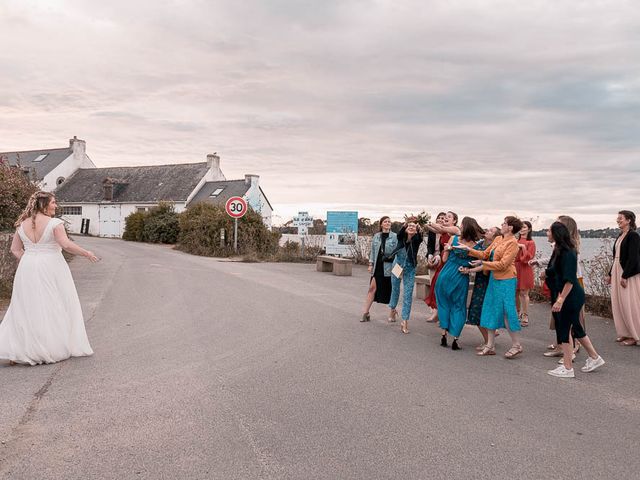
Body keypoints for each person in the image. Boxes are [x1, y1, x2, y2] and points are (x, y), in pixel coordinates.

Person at [0, 191, 98, 366]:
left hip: (27, 267)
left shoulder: (22, 224)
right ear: (44, 205)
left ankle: (19, 348)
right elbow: (66, 244)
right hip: (51, 266)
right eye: (53, 202)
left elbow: (15, 250)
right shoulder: (55, 223)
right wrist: (86, 253)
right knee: (54, 303)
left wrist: (31, 260)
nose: (56, 205)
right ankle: (49, 347)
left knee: (26, 305)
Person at [545, 222, 605, 378]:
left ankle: (568, 367)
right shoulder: (558, 250)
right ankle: (594, 357)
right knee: (576, 328)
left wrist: (560, 299)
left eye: (548, 230)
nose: (546, 233)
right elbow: (554, 270)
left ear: (556, 233)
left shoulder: (568, 252)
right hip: (566, 294)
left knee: (564, 330)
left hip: (570, 296)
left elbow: (570, 279)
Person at [460, 216, 524, 358]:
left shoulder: (513, 243)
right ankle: (490, 345)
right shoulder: (498, 239)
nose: (502, 224)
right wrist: (467, 249)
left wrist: (483, 265)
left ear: (510, 228)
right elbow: (485, 254)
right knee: (489, 308)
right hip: (495, 278)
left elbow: (503, 264)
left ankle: (516, 345)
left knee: (508, 312)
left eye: (504, 223)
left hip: (507, 280)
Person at [436, 217, 484, 350]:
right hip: (461, 276)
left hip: (446, 274)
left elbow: (444, 259)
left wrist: (447, 249)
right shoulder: (477, 246)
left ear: (464, 227)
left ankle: (443, 334)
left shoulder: (453, 239)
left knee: (444, 304)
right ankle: (455, 339)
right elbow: (476, 262)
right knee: (459, 306)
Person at [463, 226, 502, 350]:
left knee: (480, 310)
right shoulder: (480, 244)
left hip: (489, 280)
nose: (487, 231)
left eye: (491, 231)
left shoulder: (496, 249)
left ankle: (489, 342)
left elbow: (489, 264)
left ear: (495, 237)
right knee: (476, 310)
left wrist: (471, 269)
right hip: (480, 280)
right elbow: (470, 255)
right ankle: (488, 340)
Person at [607, 210, 640, 346]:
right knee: (619, 303)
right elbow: (616, 257)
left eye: (620, 218)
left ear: (629, 220)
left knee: (629, 303)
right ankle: (625, 332)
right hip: (617, 269)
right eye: (618, 218)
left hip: (628, 272)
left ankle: (635, 334)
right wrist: (610, 274)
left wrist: (625, 275)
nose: (618, 220)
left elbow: (634, 258)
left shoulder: (633, 236)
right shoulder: (621, 235)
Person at [424, 211, 460, 322]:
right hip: (443, 262)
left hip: (451, 263)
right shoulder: (443, 230)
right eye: (445, 217)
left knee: (445, 288)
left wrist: (434, 223)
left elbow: (440, 228)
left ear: (454, 221)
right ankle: (438, 312)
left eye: (449, 217)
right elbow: (433, 229)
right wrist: (422, 222)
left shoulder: (454, 229)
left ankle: (445, 315)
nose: (445, 218)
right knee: (436, 285)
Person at [388, 218, 423, 334]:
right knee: (395, 288)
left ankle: (405, 320)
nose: (411, 227)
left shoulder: (417, 240)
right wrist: (405, 225)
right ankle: (392, 309)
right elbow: (400, 232)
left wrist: (419, 230)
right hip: (398, 265)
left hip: (410, 268)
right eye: (409, 226)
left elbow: (421, 236)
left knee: (408, 293)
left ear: (416, 231)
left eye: (414, 226)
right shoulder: (400, 238)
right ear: (406, 228)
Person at [361, 216, 398, 322]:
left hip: (391, 267)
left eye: (389, 221)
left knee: (392, 290)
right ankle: (365, 313)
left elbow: (398, 252)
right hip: (378, 267)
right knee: (372, 289)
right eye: (385, 221)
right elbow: (372, 251)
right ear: (381, 224)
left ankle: (392, 312)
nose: (387, 223)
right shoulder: (376, 236)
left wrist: (399, 268)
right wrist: (370, 264)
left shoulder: (395, 237)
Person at [515, 220, 536, 327]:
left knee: (524, 293)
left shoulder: (530, 242)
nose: (522, 229)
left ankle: (525, 315)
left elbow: (529, 257)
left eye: (524, 227)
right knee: (515, 292)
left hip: (525, 268)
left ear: (529, 229)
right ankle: (517, 313)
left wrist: (523, 248)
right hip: (515, 267)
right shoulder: (515, 240)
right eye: (521, 227)